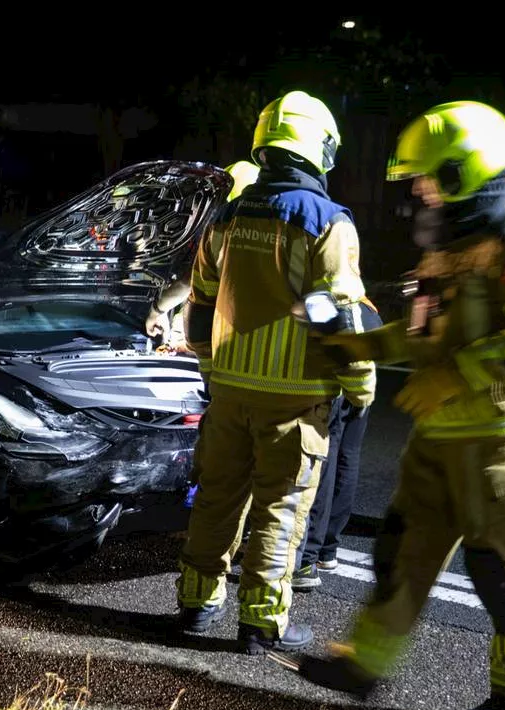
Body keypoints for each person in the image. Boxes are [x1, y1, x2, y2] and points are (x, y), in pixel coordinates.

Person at [304, 101, 505, 710]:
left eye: (428, 180)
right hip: (442, 436)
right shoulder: (449, 241)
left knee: (502, 574)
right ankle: (363, 666)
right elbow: (425, 331)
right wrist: (358, 344)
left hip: (503, 439)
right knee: (400, 552)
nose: (420, 193)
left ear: (465, 171)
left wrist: (456, 376)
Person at [173, 90, 372, 656]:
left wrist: (213, 370)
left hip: (230, 390)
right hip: (296, 396)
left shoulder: (229, 215)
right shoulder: (328, 223)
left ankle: (194, 605)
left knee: (216, 500)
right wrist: (361, 386)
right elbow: (338, 314)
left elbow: (200, 306)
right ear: (317, 149)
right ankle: (261, 625)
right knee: (279, 509)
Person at [291, 296, 381, 591]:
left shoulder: (325, 290)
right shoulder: (364, 301)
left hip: (340, 363)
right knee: (347, 456)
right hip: (363, 358)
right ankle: (327, 549)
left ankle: (307, 555)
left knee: (324, 458)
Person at [146, 159, 262, 358]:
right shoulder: (275, 238)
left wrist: (156, 312)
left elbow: (190, 281)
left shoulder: (226, 233)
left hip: (222, 351)